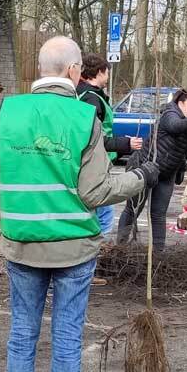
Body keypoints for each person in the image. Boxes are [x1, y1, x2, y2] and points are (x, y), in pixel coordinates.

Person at [0, 36, 158, 372]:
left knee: (21, 336)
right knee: (67, 338)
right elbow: (95, 191)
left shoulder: (8, 111)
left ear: (40, 68)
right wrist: (141, 177)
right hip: (72, 248)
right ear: (73, 71)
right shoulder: (83, 116)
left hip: (23, 245)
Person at [117, 88, 187, 252]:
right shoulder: (169, 114)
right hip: (144, 169)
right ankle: (119, 247)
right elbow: (174, 126)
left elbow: (182, 147)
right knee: (132, 210)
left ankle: (158, 253)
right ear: (180, 103)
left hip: (166, 174)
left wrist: (180, 168)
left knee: (158, 214)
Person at [77, 53, 142, 236]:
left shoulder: (90, 95)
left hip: (95, 160)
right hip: (94, 162)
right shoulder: (91, 99)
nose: (108, 77)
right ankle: (99, 249)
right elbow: (94, 139)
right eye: (107, 73)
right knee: (104, 211)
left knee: (98, 209)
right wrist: (126, 144)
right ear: (99, 72)